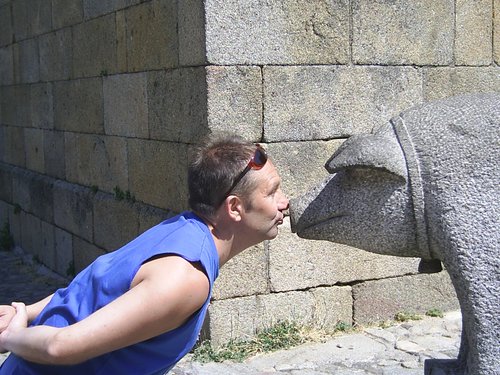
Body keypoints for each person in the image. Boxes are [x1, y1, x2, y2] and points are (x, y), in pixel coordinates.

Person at [0, 134, 289, 374]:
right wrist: (12, 335)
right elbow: (59, 346)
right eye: (272, 192)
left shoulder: (180, 229)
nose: (284, 202)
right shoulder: (186, 278)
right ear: (235, 207)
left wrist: (24, 311)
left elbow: (92, 286)